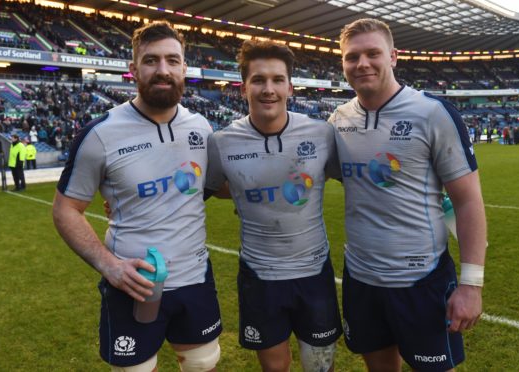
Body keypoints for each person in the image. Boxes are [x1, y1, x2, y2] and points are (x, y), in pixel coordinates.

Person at [52, 21, 222, 372]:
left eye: (173, 61)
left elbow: (203, 189)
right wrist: (109, 265)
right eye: (151, 61)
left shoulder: (201, 128)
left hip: (194, 277)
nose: (163, 70)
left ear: (184, 68)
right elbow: (66, 209)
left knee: (203, 363)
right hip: (133, 284)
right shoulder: (100, 135)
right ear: (133, 70)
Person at [329, 19, 487, 371]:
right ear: (343, 63)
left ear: (394, 56)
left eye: (373, 54)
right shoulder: (338, 120)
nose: (362, 64)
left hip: (422, 280)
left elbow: (468, 200)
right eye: (352, 57)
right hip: (362, 279)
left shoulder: (432, 113)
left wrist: (471, 285)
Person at [205, 40, 342, 372]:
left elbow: (360, 181)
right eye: (259, 80)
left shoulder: (322, 134)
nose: (269, 89)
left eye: (278, 80)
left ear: (290, 87)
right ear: (243, 88)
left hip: (314, 272)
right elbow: (204, 192)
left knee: (319, 366)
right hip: (259, 276)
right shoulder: (221, 143)